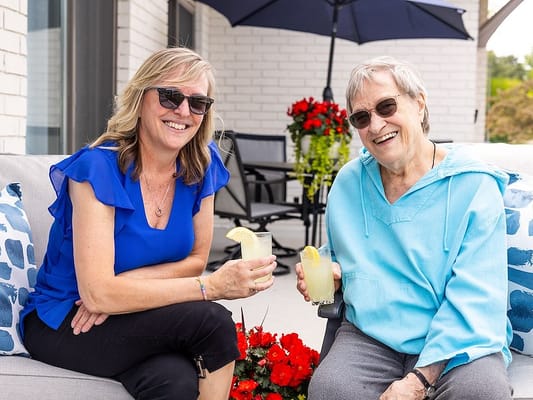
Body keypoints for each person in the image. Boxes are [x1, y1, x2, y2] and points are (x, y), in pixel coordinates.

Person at [19, 47, 276, 400]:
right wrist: (210, 288)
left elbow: (196, 260)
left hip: (132, 312)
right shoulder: (97, 169)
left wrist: (122, 286)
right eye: (171, 97)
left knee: (173, 382)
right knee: (212, 321)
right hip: (66, 318)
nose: (183, 112)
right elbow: (96, 293)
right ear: (140, 98)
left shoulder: (202, 167)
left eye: (198, 102)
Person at [296, 56, 513, 400]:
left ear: (419, 103)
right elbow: (338, 254)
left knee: (480, 391)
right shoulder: (349, 182)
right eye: (361, 117)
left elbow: (475, 300)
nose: (377, 124)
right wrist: (327, 274)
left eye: (386, 106)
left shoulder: (474, 186)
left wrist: (418, 380)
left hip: (458, 343)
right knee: (330, 389)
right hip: (371, 336)